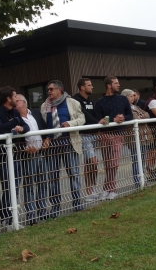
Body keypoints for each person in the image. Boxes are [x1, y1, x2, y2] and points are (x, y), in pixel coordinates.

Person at [41, 80, 85, 216]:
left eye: (51, 89)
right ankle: (56, 206)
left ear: (59, 90)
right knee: (53, 177)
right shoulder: (44, 105)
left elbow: (82, 118)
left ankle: (77, 202)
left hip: (69, 143)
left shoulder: (72, 103)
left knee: (73, 174)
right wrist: (46, 138)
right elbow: (44, 124)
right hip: (52, 146)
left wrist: (71, 123)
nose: (49, 92)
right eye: (48, 90)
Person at [0, 86, 29, 230]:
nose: (16, 99)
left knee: (15, 185)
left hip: (16, 153)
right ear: (8, 99)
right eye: (14, 97)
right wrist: (14, 123)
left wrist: (21, 128)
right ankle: (6, 217)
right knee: (8, 185)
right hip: (2, 155)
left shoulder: (15, 112)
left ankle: (10, 216)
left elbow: (26, 127)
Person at [14, 94, 50, 224]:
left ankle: (42, 211)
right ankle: (31, 215)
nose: (15, 103)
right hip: (27, 155)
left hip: (40, 152)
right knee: (29, 184)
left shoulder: (35, 113)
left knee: (42, 182)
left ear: (24, 102)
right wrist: (24, 148)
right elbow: (15, 137)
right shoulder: (15, 117)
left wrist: (47, 139)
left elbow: (45, 128)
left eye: (17, 101)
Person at [94, 76, 132, 199]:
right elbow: (98, 119)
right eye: (116, 83)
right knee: (107, 163)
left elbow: (130, 115)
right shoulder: (100, 102)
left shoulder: (123, 99)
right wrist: (112, 119)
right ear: (109, 85)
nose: (118, 85)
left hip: (118, 134)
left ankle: (111, 188)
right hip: (104, 135)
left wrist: (123, 118)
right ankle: (107, 188)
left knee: (114, 163)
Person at [72, 78, 106, 201]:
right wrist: (97, 122)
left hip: (94, 134)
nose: (92, 87)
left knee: (91, 163)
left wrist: (101, 120)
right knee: (92, 161)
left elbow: (95, 113)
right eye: (89, 85)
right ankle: (88, 192)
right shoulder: (75, 100)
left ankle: (92, 190)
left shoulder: (91, 100)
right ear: (82, 87)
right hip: (84, 135)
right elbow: (84, 115)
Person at [121, 89, 151, 187]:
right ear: (125, 97)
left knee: (142, 158)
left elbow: (147, 115)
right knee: (136, 159)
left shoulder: (136, 106)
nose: (133, 98)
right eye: (131, 96)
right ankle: (137, 181)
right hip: (134, 136)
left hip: (143, 135)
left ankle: (142, 178)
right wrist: (141, 116)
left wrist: (141, 116)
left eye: (133, 96)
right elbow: (134, 118)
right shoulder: (124, 108)